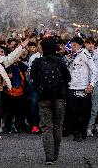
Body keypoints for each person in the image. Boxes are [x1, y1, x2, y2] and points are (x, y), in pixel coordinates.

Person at [30, 36, 71, 165]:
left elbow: (33, 79)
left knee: (47, 127)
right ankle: (56, 154)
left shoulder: (37, 62)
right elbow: (68, 78)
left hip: (43, 97)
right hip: (59, 96)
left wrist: (38, 89)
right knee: (58, 126)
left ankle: (49, 157)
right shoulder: (60, 61)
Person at [65, 36, 97, 142]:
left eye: (75, 45)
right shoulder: (71, 56)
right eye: (71, 45)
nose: (72, 47)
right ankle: (76, 133)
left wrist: (91, 84)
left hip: (83, 88)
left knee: (84, 111)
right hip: (72, 87)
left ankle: (83, 129)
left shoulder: (85, 54)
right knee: (73, 111)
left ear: (80, 45)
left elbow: (94, 70)